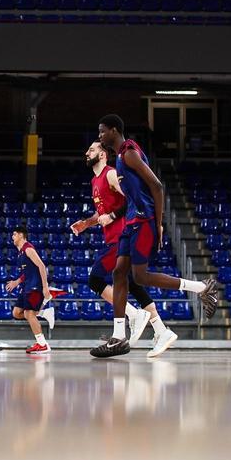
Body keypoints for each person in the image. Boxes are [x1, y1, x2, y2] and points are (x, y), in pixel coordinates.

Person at [92, 114, 219, 358]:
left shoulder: (129, 153)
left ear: (114, 130)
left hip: (144, 219)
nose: (99, 136)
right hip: (131, 221)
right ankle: (119, 336)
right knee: (119, 272)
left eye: (102, 131)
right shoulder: (120, 157)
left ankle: (202, 287)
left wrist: (158, 223)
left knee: (139, 277)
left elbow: (157, 186)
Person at [71, 142, 178, 358]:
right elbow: (101, 212)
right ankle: (161, 330)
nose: (86, 153)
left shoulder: (111, 174)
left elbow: (130, 200)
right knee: (134, 285)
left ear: (102, 154)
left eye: (91, 150)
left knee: (95, 279)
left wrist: (111, 217)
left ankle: (133, 314)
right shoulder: (95, 180)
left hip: (122, 237)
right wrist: (87, 223)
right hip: (114, 237)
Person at [4, 228, 52, 355]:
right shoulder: (20, 253)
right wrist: (16, 282)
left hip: (35, 287)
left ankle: (42, 344)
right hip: (26, 286)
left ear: (21, 235)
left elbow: (41, 266)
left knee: (29, 314)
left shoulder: (28, 249)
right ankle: (43, 313)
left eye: (14, 234)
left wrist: (45, 287)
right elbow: (27, 272)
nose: (12, 237)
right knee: (17, 313)